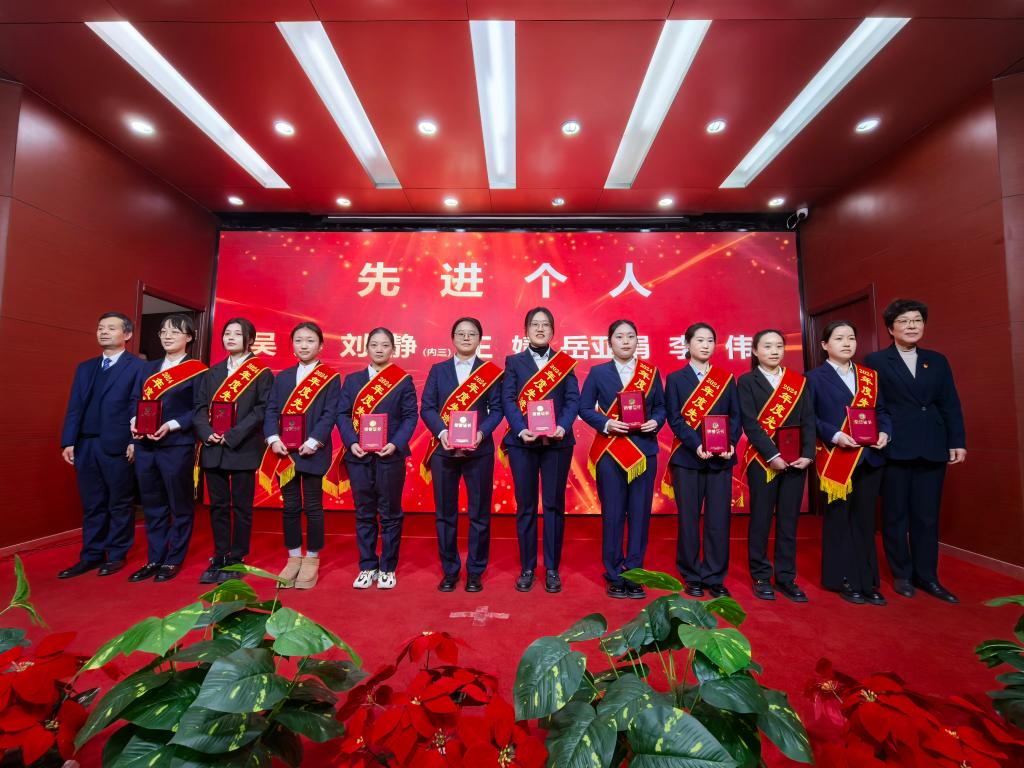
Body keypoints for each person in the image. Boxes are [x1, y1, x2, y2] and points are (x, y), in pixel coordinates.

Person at [865, 299, 966, 604]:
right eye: (904, 321)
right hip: (895, 446)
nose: (912, 326)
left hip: (933, 445)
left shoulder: (937, 360)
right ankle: (902, 574)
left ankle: (928, 576)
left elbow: (950, 403)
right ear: (890, 328)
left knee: (927, 516)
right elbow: (873, 404)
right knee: (895, 514)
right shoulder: (876, 361)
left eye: (917, 320)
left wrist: (957, 441)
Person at [807, 321, 892, 605]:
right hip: (837, 458)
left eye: (851, 338)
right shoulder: (814, 378)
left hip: (869, 458)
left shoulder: (869, 376)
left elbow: (882, 411)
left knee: (865, 521)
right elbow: (810, 418)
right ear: (825, 345)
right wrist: (835, 435)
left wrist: (885, 432)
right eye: (839, 338)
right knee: (839, 520)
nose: (847, 343)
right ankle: (841, 578)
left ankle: (868, 580)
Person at [580, 320, 665, 599]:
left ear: (638, 340)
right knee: (613, 514)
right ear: (610, 343)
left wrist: (655, 421)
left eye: (631, 336)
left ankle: (635, 573)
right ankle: (615, 574)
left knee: (640, 515)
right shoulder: (598, 373)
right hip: (610, 451)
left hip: (643, 452)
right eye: (619, 337)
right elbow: (583, 408)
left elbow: (661, 407)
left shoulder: (651, 373)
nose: (626, 341)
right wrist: (606, 423)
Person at [420, 318, 504, 593]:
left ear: (480, 339)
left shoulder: (489, 372)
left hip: (479, 451)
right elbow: (427, 407)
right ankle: (450, 570)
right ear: (452, 338)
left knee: (479, 513)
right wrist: (442, 432)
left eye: (472, 334)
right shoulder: (438, 370)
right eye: (461, 333)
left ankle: (475, 571)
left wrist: (480, 433)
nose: (466, 338)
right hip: (444, 451)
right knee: (445, 513)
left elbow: (497, 409)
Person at [59, 312, 145, 578]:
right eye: (100, 328)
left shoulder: (138, 367)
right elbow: (75, 406)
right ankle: (92, 555)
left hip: (118, 445)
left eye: (111, 328)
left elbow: (138, 406)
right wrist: (68, 441)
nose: (104, 332)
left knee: (119, 502)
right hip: (85, 444)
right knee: (92, 503)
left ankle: (116, 554)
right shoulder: (85, 367)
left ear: (127, 335)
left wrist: (134, 440)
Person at [502, 306, 580, 594]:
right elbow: (508, 399)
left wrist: (563, 425)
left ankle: (552, 568)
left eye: (545, 324)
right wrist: (521, 428)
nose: (540, 329)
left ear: (552, 331)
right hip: (522, 443)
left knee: (553, 505)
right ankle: (527, 567)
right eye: (535, 324)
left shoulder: (564, 363)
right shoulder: (514, 362)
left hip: (557, 443)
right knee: (525, 506)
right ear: (526, 330)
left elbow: (573, 399)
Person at [663, 322, 742, 599]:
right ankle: (691, 574)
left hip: (721, 459)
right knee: (688, 519)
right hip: (688, 458)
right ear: (687, 344)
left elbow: (736, 416)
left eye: (710, 340)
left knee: (719, 519)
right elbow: (674, 418)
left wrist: (731, 442)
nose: (706, 345)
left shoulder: (726, 379)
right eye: (700, 340)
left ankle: (715, 576)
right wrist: (696, 444)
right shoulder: (675, 379)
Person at [261, 322, 341, 590]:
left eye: (310, 341)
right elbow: (271, 410)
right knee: (291, 506)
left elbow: (330, 413)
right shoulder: (282, 377)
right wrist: (273, 439)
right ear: (292, 345)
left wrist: (314, 441)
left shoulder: (330, 377)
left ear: (321, 345)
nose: (304, 345)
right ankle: (294, 557)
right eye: (298, 340)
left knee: (313, 507)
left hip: (313, 451)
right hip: (284, 452)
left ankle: (312, 558)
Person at [337, 327, 418, 591]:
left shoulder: (402, 381)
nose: (379, 349)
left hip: (389, 457)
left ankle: (387, 568)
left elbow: (410, 416)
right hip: (359, 456)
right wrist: (351, 442)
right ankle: (367, 566)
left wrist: (395, 443)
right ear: (367, 348)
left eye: (385, 345)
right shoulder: (353, 380)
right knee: (364, 513)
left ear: (393, 349)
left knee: (390, 513)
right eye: (374, 345)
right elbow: (342, 414)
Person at [738, 329, 816, 602]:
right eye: (768, 346)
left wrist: (808, 454)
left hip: (796, 462)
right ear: (755, 351)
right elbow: (750, 424)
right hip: (763, 461)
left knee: (788, 520)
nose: (774, 351)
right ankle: (761, 575)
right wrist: (772, 455)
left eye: (779, 346)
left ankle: (785, 577)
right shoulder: (747, 382)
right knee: (761, 519)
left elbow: (808, 420)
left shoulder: (798, 382)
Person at [128, 314, 207, 583]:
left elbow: (199, 409)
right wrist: (134, 420)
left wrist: (172, 425)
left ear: (189, 337)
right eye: (163, 332)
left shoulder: (198, 370)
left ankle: (173, 559)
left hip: (176, 445)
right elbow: (135, 399)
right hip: (145, 445)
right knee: (152, 504)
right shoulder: (147, 368)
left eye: (175, 331)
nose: (167, 336)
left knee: (179, 504)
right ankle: (155, 558)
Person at [193, 317, 272, 584]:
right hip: (213, 447)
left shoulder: (261, 372)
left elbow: (261, 410)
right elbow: (199, 407)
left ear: (250, 340)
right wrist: (206, 432)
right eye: (227, 333)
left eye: (237, 334)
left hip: (242, 447)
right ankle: (220, 555)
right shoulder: (212, 372)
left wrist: (232, 434)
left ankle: (237, 557)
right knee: (217, 506)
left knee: (241, 506)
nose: (230, 338)